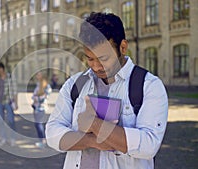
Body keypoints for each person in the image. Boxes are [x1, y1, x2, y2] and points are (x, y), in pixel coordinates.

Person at [45, 12, 168, 169]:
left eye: (103, 59)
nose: (96, 67)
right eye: (90, 59)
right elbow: (52, 134)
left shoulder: (148, 86)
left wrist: (95, 125)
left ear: (123, 47)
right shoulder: (75, 85)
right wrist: (91, 141)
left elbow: (149, 145)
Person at [0, 62, 18, 146]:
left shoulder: (10, 77)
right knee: (1, 121)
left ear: (1, 69)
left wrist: (16, 103)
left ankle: (12, 138)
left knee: (11, 121)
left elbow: (14, 90)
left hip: (8, 102)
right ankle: (3, 138)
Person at [31, 71, 52, 148]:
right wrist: (36, 97)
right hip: (36, 107)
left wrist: (36, 97)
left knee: (39, 124)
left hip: (41, 108)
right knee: (37, 124)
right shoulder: (38, 85)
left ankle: (43, 141)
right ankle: (41, 140)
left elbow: (42, 98)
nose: (37, 76)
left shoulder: (47, 86)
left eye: (38, 74)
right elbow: (34, 96)